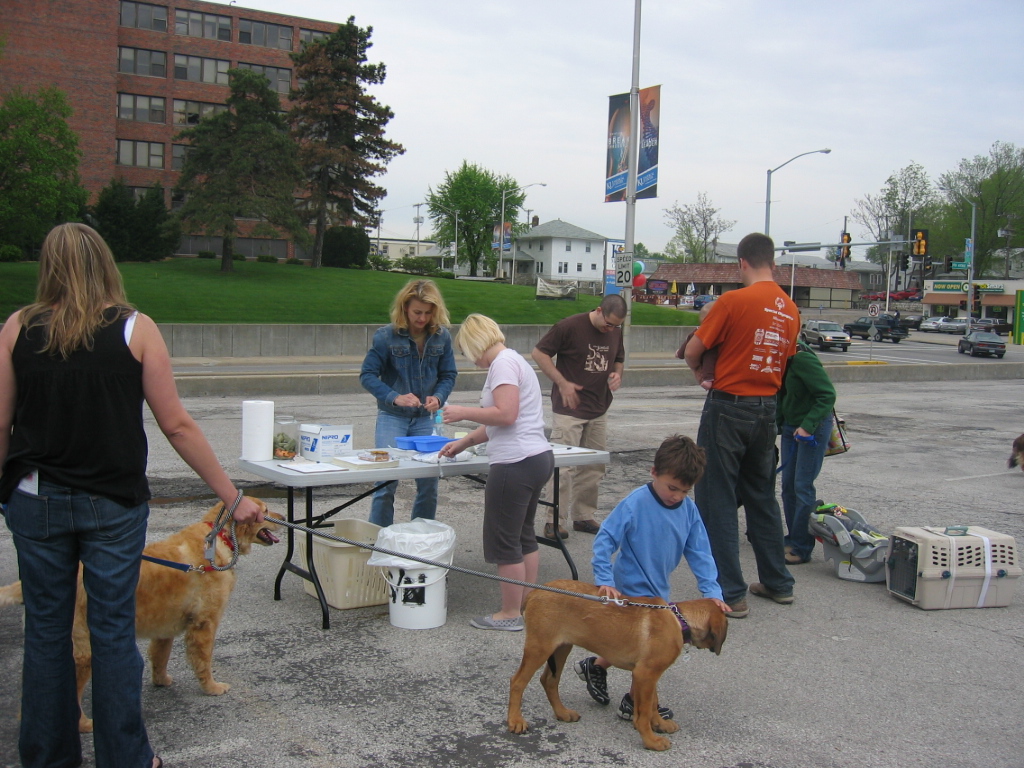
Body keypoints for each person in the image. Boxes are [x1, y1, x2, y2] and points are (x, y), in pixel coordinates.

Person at [0, 223, 265, 768]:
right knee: (113, 629)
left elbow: (2, 423)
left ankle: (46, 757)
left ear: (47, 266)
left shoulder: (16, 328)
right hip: (111, 503)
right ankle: (126, 757)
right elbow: (177, 426)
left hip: (36, 498)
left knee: (48, 632)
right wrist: (232, 496)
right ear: (106, 265)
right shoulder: (135, 329)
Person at [682, 232, 800, 618]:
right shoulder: (791, 308)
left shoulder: (732, 301)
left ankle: (730, 593)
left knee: (716, 500)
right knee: (762, 497)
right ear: (773, 263)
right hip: (767, 408)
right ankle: (778, 582)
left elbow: (694, 350)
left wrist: (701, 373)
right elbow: (787, 358)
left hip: (729, 406)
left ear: (742, 263)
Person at [574, 434, 729, 721]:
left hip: (659, 591)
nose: (677, 496)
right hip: (627, 589)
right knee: (647, 650)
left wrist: (712, 593)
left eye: (685, 490)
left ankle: (595, 666)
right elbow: (605, 539)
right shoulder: (636, 502)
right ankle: (634, 703)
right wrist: (604, 579)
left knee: (639, 647)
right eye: (672, 488)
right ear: (654, 472)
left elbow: (700, 553)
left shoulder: (689, 510)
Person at [438, 314, 553, 631]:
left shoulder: (501, 365)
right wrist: (463, 443)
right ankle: (527, 605)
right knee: (523, 536)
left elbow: (505, 414)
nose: (469, 359)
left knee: (505, 542)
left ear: (475, 343)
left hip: (515, 463)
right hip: (536, 457)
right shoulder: (514, 360)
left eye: (465, 351)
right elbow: (501, 422)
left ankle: (509, 613)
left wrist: (462, 412)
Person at [359, 279, 458, 527]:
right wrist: (395, 396)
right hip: (392, 417)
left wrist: (439, 397)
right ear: (404, 308)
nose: (422, 318)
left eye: (428, 313)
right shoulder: (385, 336)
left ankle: (420, 541)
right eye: (417, 312)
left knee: (429, 483)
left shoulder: (442, 337)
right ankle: (379, 541)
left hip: (425, 421)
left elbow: (449, 375)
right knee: (385, 482)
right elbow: (367, 375)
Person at [531, 294, 626, 538]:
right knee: (564, 467)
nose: (611, 329)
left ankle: (583, 516)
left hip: (599, 407)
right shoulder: (568, 326)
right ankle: (554, 521)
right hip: (569, 409)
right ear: (598, 310)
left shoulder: (615, 331)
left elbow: (618, 359)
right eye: (608, 324)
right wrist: (562, 383)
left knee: (594, 466)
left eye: (616, 326)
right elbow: (539, 353)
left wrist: (617, 374)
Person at [777, 339, 836, 565]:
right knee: (787, 486)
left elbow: (827, 395)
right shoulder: (784, 360)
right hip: (793, 426)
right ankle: (793, 538)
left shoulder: (802, 359)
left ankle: (802, 547)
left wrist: (808, 425)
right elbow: (783, 397)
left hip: (813, 427)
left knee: (802, 486)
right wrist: (778, 425)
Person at [675, 299, 718, 390]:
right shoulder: (704, 332)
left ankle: (707, 379)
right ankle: (708, 378)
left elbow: (687, 345)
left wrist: (680, 353)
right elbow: (689, 351)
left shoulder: (697, 331)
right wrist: (680, 353)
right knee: (709, 358)